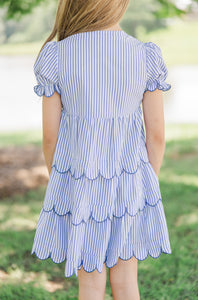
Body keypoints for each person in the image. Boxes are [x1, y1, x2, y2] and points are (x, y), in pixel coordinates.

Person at [31, 0, 172, 299]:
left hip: (81, 187)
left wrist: (62, 183)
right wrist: (145, 184)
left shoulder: (57, 56)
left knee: (90, 284)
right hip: (129, 185)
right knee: (126, 282)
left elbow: (49, 138)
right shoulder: (144, 56)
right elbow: (156, 136)